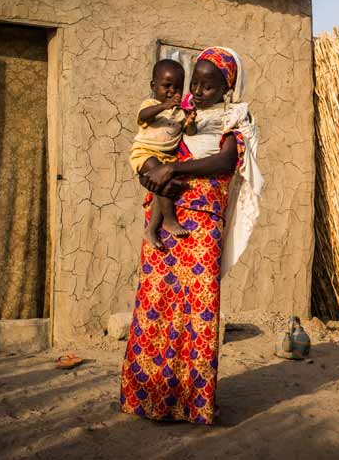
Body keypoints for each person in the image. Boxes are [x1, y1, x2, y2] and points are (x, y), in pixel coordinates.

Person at [120, 46, 263, 425]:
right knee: (156, 305)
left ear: (225, 88)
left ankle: (191, 403)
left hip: (202, 226)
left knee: (196, 312)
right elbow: (148, 152)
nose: (198, 92)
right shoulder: (179, 114)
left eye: (208, 86)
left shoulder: (234, 121)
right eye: (194, 84)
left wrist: (174, 169)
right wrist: (153, 174)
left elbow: (225, 161)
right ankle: (148, 399)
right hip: (166, 219)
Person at [129, 59, 197, 250]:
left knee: (161, 188)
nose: (172, 92)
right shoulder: (151, 103)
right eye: (166, 86)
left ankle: (152, 228)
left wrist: (190, 122)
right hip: (145, 154)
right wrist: (164, 105)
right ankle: (169, 219)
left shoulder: (180, 113)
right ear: (153, 86)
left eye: (177, 87)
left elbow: (189, 133)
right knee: (162, 179)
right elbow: (143, 116)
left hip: (166, 159)